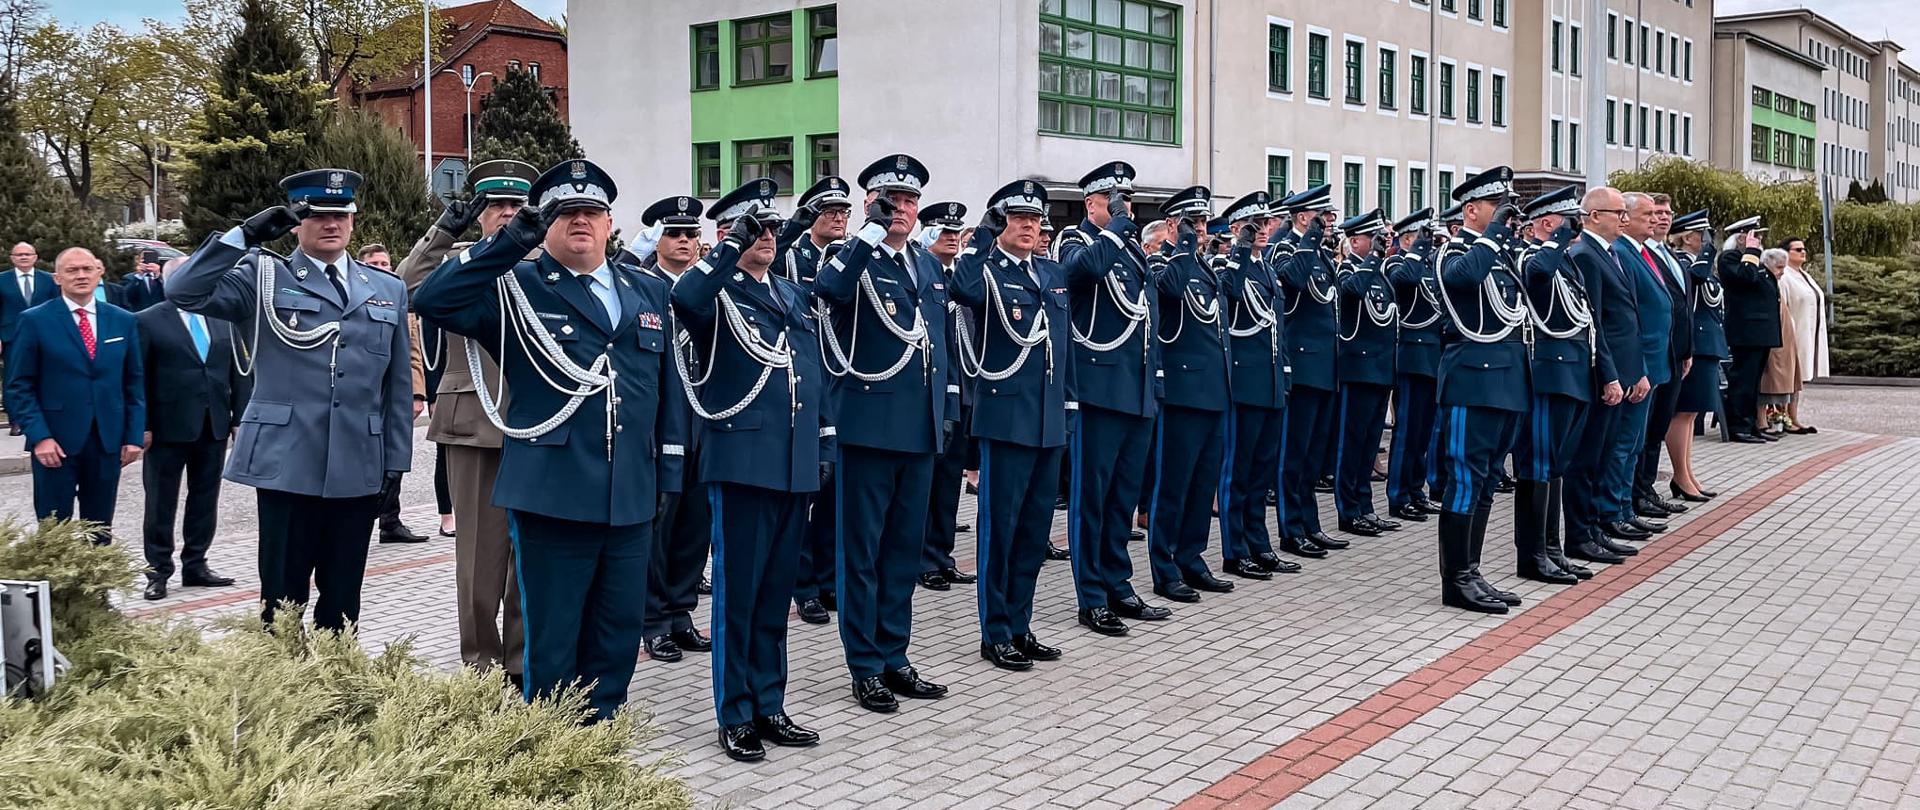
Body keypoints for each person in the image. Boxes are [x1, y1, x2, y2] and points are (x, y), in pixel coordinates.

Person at [415, 158, 686, 723]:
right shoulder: (515, 288)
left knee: (617, 630)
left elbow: (666, 391)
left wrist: (669, 472)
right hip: (554, 491)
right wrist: (508, 242)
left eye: (592, 211)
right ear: (546, 223)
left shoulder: (645, 290)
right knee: (553, 634)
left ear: (611, 223)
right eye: (566, 212)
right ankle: (551, 743)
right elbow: (431, 298)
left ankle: (603, 733)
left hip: (630, 491)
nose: (581, 221)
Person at [168, 168, 413, 632]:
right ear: (296, 222)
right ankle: (286, 692)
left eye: (340, 214)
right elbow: (183, 290)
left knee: (343, 602)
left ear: (353, 220)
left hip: (358, 464)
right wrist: (243, 236)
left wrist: (394, 461)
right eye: (316, 214)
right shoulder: (263, 277)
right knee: (282, 602)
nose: (330, 223)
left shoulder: (386, 289)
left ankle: (337, 694)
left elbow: (396, 387)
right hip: (288, 463)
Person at [673, 178, 832, 762]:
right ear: (729, 233)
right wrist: (724, 251)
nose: (765, 237)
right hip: (742, 462)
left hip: (791, 463)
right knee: (738, 595)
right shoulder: (717, 294)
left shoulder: (791, 294)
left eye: (770, 227)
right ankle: (735, 711)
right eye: (752, 227)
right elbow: (684, 301)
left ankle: (770, 702)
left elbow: (812, 376)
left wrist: (824, 444)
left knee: (773, 595)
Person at [810, 153, 956, 712]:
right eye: (892, 199)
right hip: (868, 429)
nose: (904, 209)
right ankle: (864, 663)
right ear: (872, 202)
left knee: (901, 553)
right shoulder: (853, 257)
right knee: (862, 554)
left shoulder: (922, 264)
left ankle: (896, 655)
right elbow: (831, 290)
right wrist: (868, 230)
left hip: (918, 432)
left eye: (911, 200)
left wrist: (945, 413)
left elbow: (938, 344)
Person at [396, 157, 538, 685]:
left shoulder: (541, 260)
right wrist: (445, 229)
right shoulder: (463, 260)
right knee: (478, 557)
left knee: (526, 559)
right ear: (479, 214)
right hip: (473, 423)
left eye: (515, 205)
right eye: (495, 205)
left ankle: (525, 664)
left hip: (537, 423)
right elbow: (407, 288)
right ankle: (481, 663)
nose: (506, 214)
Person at [950, 179, 1072, 672]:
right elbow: (961, 287)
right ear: (1002, 223)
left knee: (1032, 532)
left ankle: (1021, 625)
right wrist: (983, 232)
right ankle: (994, 631)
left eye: (1035, 219)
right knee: (999, 531)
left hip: (1047, 422)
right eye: (1018, 218)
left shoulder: (1052, 272)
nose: (1028, 226)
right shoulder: (985, 271)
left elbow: (1065, 350)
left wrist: (1071, 406)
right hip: (1006, 420)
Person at [1054, 161, 1167, 637]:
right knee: (1093, 498)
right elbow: (1083, 274)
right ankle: (1092, 596)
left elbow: (1148, 315)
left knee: (1122, 498)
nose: (1124, 210)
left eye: (1127, 203)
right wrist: (1117, 232)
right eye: (1113, 203)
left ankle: (1119, 582)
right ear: (1091, 205)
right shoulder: (1078, 242)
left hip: (1136, 389)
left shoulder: (1128, 251)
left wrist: (1154, 383)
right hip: (1099, 390)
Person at [1429, 166, 1528, 614]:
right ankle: (1456, 580)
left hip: (1506, 377)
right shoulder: (1452, 251)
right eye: (1496, 206)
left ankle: (1472, 569)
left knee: (1487, 479)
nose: (1505, 214)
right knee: (1466, 478)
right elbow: (1464, 281)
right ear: (1472, 210)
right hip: (1472, 377)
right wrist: (1491, 236)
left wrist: (1500, 239)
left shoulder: (1501, 253)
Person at [630, 194, 715, 666]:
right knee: (660, 525)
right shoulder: (643, 288)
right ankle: (653, 620)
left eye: (691, 234)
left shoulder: (707, 288)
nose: (685, 242)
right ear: (656, 241)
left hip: (706, 419)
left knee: (694, 525)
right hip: (665, 422)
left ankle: (681, 612)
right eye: (675, 234)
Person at [5, 246, 144, 533]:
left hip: (107, 440)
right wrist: (40, 437)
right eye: (72, 270)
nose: (81, 275)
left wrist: (133, 437)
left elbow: (133, 382)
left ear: (99, 272)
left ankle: (99, 577)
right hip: (56, 442)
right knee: (55, 528)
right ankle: (58, 580)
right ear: (57, 278)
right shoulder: (34, 320)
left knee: (100, 525)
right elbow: (19, 385)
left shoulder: (123, 320)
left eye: (87, 269)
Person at [136, 256, 247, 600]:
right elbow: (136, 377)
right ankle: (158, 571)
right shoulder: (147, 321)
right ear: (172, 282)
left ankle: (196, 563)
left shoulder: (221, 319)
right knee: (160, 502)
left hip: (211, 424)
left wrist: (239, 418)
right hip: (166, 428)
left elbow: (239, 370)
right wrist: (142, 425)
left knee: (205, 498)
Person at [1146, 186, 1237, 603]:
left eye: (1201, 223)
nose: (1200, 230)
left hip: (1214, 390)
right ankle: (1164, 567)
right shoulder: (1164, 263)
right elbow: (1169, 292)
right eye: (1191, 223)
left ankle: (1192, 556)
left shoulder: (1205, 267)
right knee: (1174, 484)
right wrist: (1180, 245)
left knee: (1203, 484)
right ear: (1171, 225)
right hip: (1183, 392)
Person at [1510, 186, 1597, 586]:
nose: (1575, 226)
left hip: (1571, 372)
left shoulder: (1562, 262)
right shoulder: (1532, 257)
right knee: (1538, 465)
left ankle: (1551, 548)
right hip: (1548, 373)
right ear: (1547, 222)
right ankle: (1532, 555)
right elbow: (1537, 275)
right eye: (1568, 219)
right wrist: (1561, 238)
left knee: (1556, 466)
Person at [783, 175, 853, 624]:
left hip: (845, 380)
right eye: (829, 210)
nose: (839, 217)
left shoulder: (852, 255)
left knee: (834, 496)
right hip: (809, 380)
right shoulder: (795, 256)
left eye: (844, 211)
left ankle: (828, 579)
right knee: (809, 494)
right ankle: (804, 585)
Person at [1214, 190, 1293, 581]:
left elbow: (1277, 325)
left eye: (1264, 225)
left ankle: (1259, 543)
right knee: (1238, 470)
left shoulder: (1268, 268)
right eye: (1253, 226)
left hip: (1271, 381)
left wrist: (1286, 373)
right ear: (1234, 230)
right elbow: (1228, 296)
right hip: (1244, 382)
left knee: (1262, 471)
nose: (1262, 231)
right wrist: (1240, 251)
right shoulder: (1228, 263)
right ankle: (1235, 550)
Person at [1563, 187, 1642, 563]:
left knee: (1605, 454)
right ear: (1594, 215)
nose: (1624, 219)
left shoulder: (1609, 253)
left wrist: (1634, 372)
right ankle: (1580, 535)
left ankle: (1594, 529)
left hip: (1621, 373)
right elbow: (1594, 322)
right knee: (1587, 459)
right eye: (1618, 212)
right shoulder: (1585, 255)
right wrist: (1610, 375)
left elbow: (1627, 318)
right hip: (1600, 376)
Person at [1275, 185, 1345, 558]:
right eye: (1323, 216)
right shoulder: (1289, 247)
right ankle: (1291, 529)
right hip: (1303, 365)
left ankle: (1310, 524)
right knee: (1295, 453)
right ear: (1304, 217)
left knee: (1313, 455)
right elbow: (1294, 282)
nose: (1331, 221)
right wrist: (1311, 238)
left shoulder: (1318, 252)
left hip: (1324, 366)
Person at [918, 200, 980, 592]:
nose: (953, 238)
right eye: (944, 232)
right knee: (929, 483)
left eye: (957, 232)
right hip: (933, 394)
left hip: (964, 391)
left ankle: (942, 554)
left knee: (949, 484)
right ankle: (923, 559)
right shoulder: (923, 276)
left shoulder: (959, 277)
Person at [1330, 208, 1403, 538]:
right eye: (1373, 239)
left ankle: (1365, 506)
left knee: (1370, 442)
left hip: (1379, 370)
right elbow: (1353, 293)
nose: (1381, 244)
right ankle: (1348, 510)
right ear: (1354, 241)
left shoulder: (1380, 273)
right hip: (1358, 370)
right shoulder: (1346, 270)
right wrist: (1374, 257)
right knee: (1353, 443)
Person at [1605, 193, 1674, 539]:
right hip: (1637, 367)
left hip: (1652, 364)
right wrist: (1636, 369)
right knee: (1623, 444)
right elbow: (1628, 320)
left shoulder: (1643, 252)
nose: (1653, 219)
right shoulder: (1623, 254)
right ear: (1626, 217)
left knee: (1634, 443)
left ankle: (1625, 507)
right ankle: (1615, 511)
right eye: (1646, 214)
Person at [359, 239, 429, 545]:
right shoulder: (355, 297)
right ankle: (361, 520)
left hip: (394, 394)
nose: (381, 270)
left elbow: (411, 353)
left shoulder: (399, 299)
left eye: (385, 264)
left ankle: (390, 521)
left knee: (395, 457)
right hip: (364, 396)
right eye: (373, 265)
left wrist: (416, 394)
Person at [1629, 194, 1694, 521]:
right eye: (1654, 213)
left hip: (1671, 354)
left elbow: (1681, 308)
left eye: (1666, 213)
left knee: (1655, 428)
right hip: (1649, 358)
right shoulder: (1637, 255)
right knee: (1642, 432)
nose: (1660, 219)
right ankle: (1636, 493)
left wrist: (1686, 350)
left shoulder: (1666, 254)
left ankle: (1645, 489)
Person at [1385, 208, 1444, 522]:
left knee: (1424, 431)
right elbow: (1403, 281)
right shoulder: (1397, 262)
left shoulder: (1429, 265)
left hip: (1432, 357)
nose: (1429, 243)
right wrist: (1416, 250)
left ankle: (1416, 490)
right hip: (1410, 355)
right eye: (1423, 237)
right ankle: (1398, 495)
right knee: (1407, 430)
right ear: (1408, 237)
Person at [1663, 210, 1723, 502]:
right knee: (1683, 412)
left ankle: (1687, 473)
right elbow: (1696, 281)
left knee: (1692, 412)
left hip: (1708, 343)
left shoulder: (1699, 264)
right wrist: (1709, 252)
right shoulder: (1685, 263)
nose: (1708, 241)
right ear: (1687, 237)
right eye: (1703, 236)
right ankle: (1680, 476)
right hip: (1695, 344)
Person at [1719, 218, 1778, 444]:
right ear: (1741, 238)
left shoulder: (1752, 260)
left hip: (1759, 332)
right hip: (1746, 332)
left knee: (1753, 383)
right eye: (1755, 237)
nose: (1759, 241)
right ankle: (1738, 426)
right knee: (1742, 381)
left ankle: (1751, 424)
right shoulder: (1730, 259)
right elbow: (1747, 277)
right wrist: (1751, 252)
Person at [1, 242, 57, 434]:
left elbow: (57, 306)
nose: (23, 257)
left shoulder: (48, 280)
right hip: (11, 337)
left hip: (45, 334)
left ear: (35, 257)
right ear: (12, 258)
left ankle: (41, 417)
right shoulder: (2, 280)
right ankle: (16, 420)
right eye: (19, 254)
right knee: (13, 378)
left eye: (27, 254)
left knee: (45, 375)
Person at [1778, 236, 1827, 433]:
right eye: (1798, 249)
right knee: (1788, 377)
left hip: (1809, 332)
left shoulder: (1804, 275)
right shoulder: (1785, 276)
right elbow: (1784, 307)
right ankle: (1782, 416)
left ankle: (1794, 416)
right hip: (1793, 333)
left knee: (1798, 379)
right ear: (1787, 253)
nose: (1803, 252)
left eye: (1804, 249)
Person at [1758, 247, 1802, 434]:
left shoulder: (1776, 281)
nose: (1782, 273)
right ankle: (1763, 419)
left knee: (1788, 379)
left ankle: (1783, 416)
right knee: (1768, 379)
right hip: (1771, 339)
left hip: (1785, 336)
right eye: (1778, 268)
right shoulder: (1764, 281)